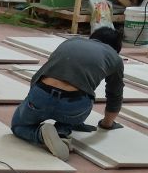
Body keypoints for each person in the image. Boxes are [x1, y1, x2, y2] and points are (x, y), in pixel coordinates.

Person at [10, 27, 125, 161]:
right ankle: (62, 132)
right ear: (116, 49)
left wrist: (32, 102)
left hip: (42, 94)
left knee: (18, 126)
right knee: (79, 104)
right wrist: (106, 124)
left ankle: (40, 134)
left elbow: (39, 75)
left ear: (92, 38)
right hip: (74, 106)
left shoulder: (71, 42)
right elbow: (115, 95)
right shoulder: (115, 58)